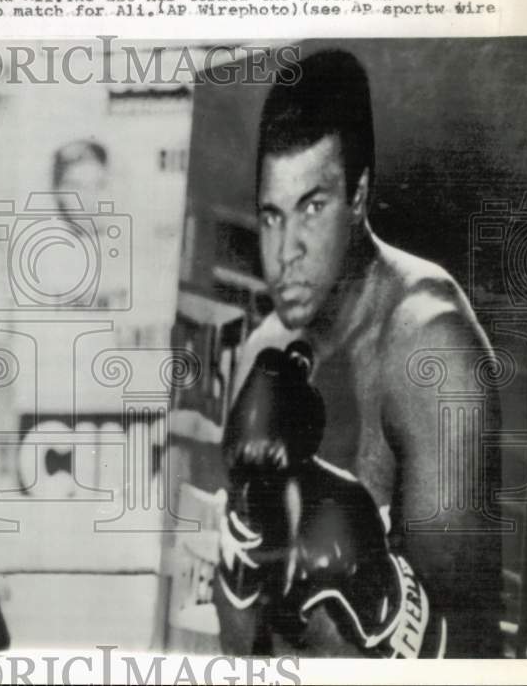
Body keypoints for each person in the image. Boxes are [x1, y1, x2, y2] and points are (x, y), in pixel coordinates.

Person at [211, 49, 503, 657]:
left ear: (360, 195)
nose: (285, 250)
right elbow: (239, 646)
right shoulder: (265, 352)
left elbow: (475, 657)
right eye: (271, 216)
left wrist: (381, 599)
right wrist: (246, 538)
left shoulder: (432, 353)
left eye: (311, 208)